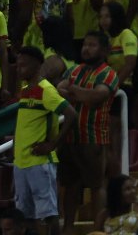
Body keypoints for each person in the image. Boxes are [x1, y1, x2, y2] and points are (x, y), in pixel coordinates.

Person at [57, 31, 119, 229]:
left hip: (94, 137)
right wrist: (83, 95)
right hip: (69, 136)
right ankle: (68, 228)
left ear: (103, 50)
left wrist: (75, 92)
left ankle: (98, 229)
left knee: (96, 185)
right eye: (85, 44)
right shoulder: (75, 69)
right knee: (70, 185)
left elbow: (95, 98)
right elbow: (59, 89)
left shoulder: (109, 73)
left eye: (92, 45)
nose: (86, 48)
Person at [14, 45, 77, 235]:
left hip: (40, 163)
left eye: (23, 65)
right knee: (25, 216)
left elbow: (71, 114)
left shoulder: (46, 90)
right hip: (21, 161)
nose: (19, 69)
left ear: (37, 65)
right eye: (18, 65)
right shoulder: (25, 90)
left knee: (49, 215)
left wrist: (52, 145)